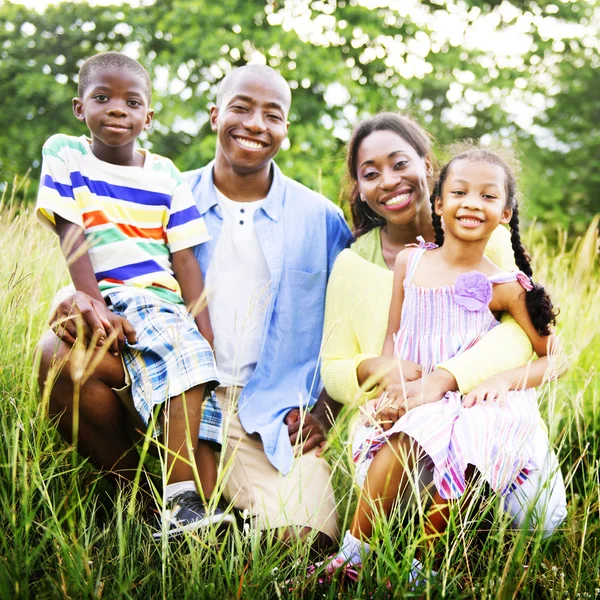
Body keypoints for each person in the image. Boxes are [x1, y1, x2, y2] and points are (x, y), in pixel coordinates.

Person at [37, 63, 352, 546]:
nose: (254, 124)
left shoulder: (322, 218)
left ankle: (215, 521)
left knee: (307, 543)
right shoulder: (163, 189)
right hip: (164, 384)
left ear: (285, 129)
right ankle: (150, 502)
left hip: (263, 412)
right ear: (214, 115)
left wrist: (325, 410)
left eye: (272, 114)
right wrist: (69, 297)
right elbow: (106, 267)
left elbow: (351, 322)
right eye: (241, 108)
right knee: (59, 360)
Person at [325, 147, 566, 583]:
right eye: (459, 192)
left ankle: (423, 567)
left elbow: (555, 359)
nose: (472, 203)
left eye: (488, 196)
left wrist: (507, 378)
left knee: (459, 442)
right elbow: (394, 337)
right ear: (438, 203)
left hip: (477, 403)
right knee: (407, 433)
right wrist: (390, 383)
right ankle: (351, 558)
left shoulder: (507, 286)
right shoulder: (410, 262)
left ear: (506, 214)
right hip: (420, 398)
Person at [35, 51, 234, 537]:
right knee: (61, 357)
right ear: (80, 107)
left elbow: (184, 260)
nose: (117, 109)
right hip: (107, 295)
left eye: (132, 101)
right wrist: (95, 306)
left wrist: (204, 333)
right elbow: (72, 233)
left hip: (161, 300)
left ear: (150, 116)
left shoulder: (165, 173)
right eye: (102, 98)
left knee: (189, 356)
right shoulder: (66, 153)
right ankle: (166, 501)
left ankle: (184, 499)